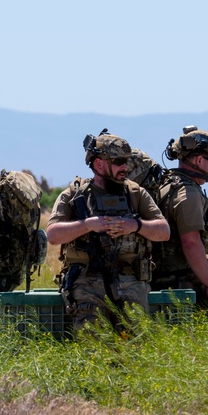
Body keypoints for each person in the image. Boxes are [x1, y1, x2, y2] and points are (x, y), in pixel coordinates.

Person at [46, 130, 170, 332]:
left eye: (127, 161)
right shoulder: (75, 194)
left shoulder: (135, 193)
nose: (125, 167)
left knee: (137, 346)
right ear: (99, 164)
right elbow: (53, 235)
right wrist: (88, 225)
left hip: (131, 281)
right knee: (94, 345)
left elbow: (163, 231)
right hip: (88, 282)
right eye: (119, 161)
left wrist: (135, 226)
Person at [150, 125, 208, 312]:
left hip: (161, 280)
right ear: (200, 160)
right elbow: (191, 242)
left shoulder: (167, 185)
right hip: (181, 284)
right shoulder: (188, 193)